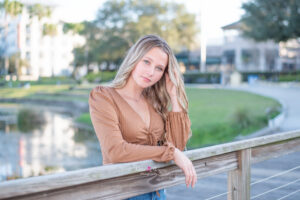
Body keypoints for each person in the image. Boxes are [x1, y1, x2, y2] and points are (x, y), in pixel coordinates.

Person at [89, 34, 197, 200]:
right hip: (124, 194)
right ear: (135, 58)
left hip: (158, 192)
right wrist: (171, 153)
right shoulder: (103, 96)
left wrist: (174, 98)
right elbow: (114, 151)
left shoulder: (154, 102)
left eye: (159, 68)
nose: (151, 72)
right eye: (147, 62)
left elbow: (178, 146)